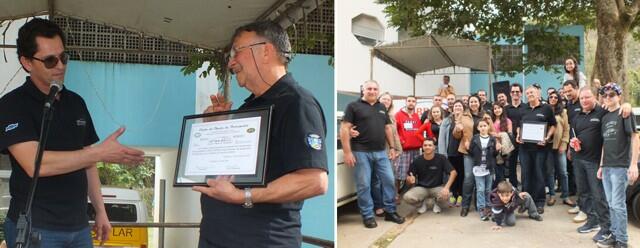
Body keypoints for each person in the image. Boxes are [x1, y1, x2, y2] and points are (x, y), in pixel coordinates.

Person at [0, 18, 145, 247]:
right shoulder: (12, 105)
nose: (60, 65)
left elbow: (88, 163)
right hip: (35, 228)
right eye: (50, 60)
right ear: (27, 62)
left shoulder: (76, 102)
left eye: (64, 57)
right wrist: (98, 153)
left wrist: (100, 211)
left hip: (78, 227)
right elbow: (35, 164)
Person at [192, 21, 329, 246]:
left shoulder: (297, 103)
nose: (231, 62)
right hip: (217, 237)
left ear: (266, 51)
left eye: (237, 51)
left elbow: (314, 181)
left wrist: (244, 196)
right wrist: (214, 128)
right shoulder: (250, 108)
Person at [340, 80, 405, 228]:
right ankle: (368, 215)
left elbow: (388, 128)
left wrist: (393, 148)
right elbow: (344, 128)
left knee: (389, 180)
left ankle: (390, 212)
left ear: (378, 91)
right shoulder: (353, 106)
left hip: (381, 152)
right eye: (369, 88)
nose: (372, 91)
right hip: (361, 152)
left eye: (375, 89)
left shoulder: (381, 107)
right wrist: (347, 152)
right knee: (364, 185)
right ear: (363, 89)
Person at [596, 83, 638, 248]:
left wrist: (633, 164)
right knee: (611, 204)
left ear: (619, 96)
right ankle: (614, 236)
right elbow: (605, 143)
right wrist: (601, 165)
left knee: (618, 205)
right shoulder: (605, 117)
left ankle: (622, 241)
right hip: (606, 167)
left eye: (612, 94)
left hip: (620, 167)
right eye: (605, 95)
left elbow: (635, 138)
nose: (608, 97)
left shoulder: (625, 113)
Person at [569, 87, 612, 242]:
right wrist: (573, 143)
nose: (584, 101)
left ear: (594, 98)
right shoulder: (576, 116)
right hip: (579, 160)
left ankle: (606, 228)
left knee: (599, 196)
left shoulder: (602, 112)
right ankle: (592, 221)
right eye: (582, 98)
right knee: (583, 193)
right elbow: (573, 135)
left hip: (595, 162)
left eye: (587, 97)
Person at [516, 85, 556, 214]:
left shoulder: (546, 108)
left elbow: (553, 125)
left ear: (538, 93)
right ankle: (525, 202)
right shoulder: (523, 109)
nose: (529, 95)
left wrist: (547, 136)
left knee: (539, 174)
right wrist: (518, 135)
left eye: (531, 92)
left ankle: (539, 202)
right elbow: (518, 126)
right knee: (525, 175)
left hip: (540, 149)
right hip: (524, 148)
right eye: (527, 93)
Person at [438, 100, 475, 216]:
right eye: (456, 106)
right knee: (452, 174)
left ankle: (461, 195)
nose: (457, 108)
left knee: (462, 174)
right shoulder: (447, 120)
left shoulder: (467, 120)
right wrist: (442, 153)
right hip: (451, 151)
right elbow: (441, 138)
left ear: (463, 108)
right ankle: (454, 194)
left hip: (463, 151)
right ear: (452, 109)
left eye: (460, 106)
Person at [403, 138, 457, 214]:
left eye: (430, 145)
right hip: (422, 188)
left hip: (437, 187)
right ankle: (422, 204)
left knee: (448, 196)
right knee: (407, 197)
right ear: (422, 147)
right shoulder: (417, 160)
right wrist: (409, 180)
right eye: (425, 145)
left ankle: (437, 204)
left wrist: (447, 187)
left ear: (434, 147)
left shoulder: (441, 158)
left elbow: (453, 172)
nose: (427, 147)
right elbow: (409, 178)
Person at [373, 92, 403, 216]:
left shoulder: (391, 117)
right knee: (377, 180)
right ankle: (378, 205)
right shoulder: (373, 113)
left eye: (388, 100)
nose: (386, 101)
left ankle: (388, 204)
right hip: (377, 150)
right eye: (384, 99)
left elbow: (394, 135)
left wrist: (396, 149)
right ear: (379, 100)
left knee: (389, 180)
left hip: (389, 151)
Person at [467, 119, 501, 221]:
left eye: (484, 126)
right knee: (480, 189)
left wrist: (497, 149)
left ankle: (488, 207)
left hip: (489, 168)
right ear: (477, 128)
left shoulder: (492, 139)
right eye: (480, 126)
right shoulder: (475, 138)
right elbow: (472, 153)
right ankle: (481, 208)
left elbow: (494, 155)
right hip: (478, 168)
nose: (483, 128)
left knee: (488, 189)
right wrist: (468, 147)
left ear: (488, 127)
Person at [545, 91, 573, 207]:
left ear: (558, 99)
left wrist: (564, 144)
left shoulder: (563, 112)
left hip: (560, 147)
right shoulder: (544, 110)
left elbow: (567, 129)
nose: (553, 98)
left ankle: (566, 196)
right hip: (547, 147)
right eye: (551, 97)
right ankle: (552, 195)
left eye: (556, 97)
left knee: (563, 172)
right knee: (550, 172)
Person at [394, 95, 423, 197]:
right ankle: (395, 194)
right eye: (409, 101)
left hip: (416, 149)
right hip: (404, 149)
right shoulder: (398, 115)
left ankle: (409, 194)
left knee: (413, 173)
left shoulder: (416, 116)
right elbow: (394, 131)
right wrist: (401, 141)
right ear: (405, 102)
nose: (411, 103)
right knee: (399, 173)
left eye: (413, 101)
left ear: (415, 103)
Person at [505, 83, 525, 188]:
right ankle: (513, 186)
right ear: (510, 94)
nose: (515, 93)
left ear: (521, 93)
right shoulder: (506, 108)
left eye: (517, 91)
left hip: (524, 141)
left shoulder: (526, 107)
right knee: (511, 165)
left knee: (525, 165)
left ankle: (525, 186)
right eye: (513, 92)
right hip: (511, 141)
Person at [491, 103, 513, 187]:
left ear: (502, 109)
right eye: (495, 108)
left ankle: (500, 189)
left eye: (499, 108)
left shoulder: (507, 121)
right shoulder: (490, 121)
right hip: (493, 148)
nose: (497, 110)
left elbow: (510, 134)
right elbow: (488, 133)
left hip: (503, 149)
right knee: (495, 171)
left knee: (501, 170)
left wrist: (497, 135)